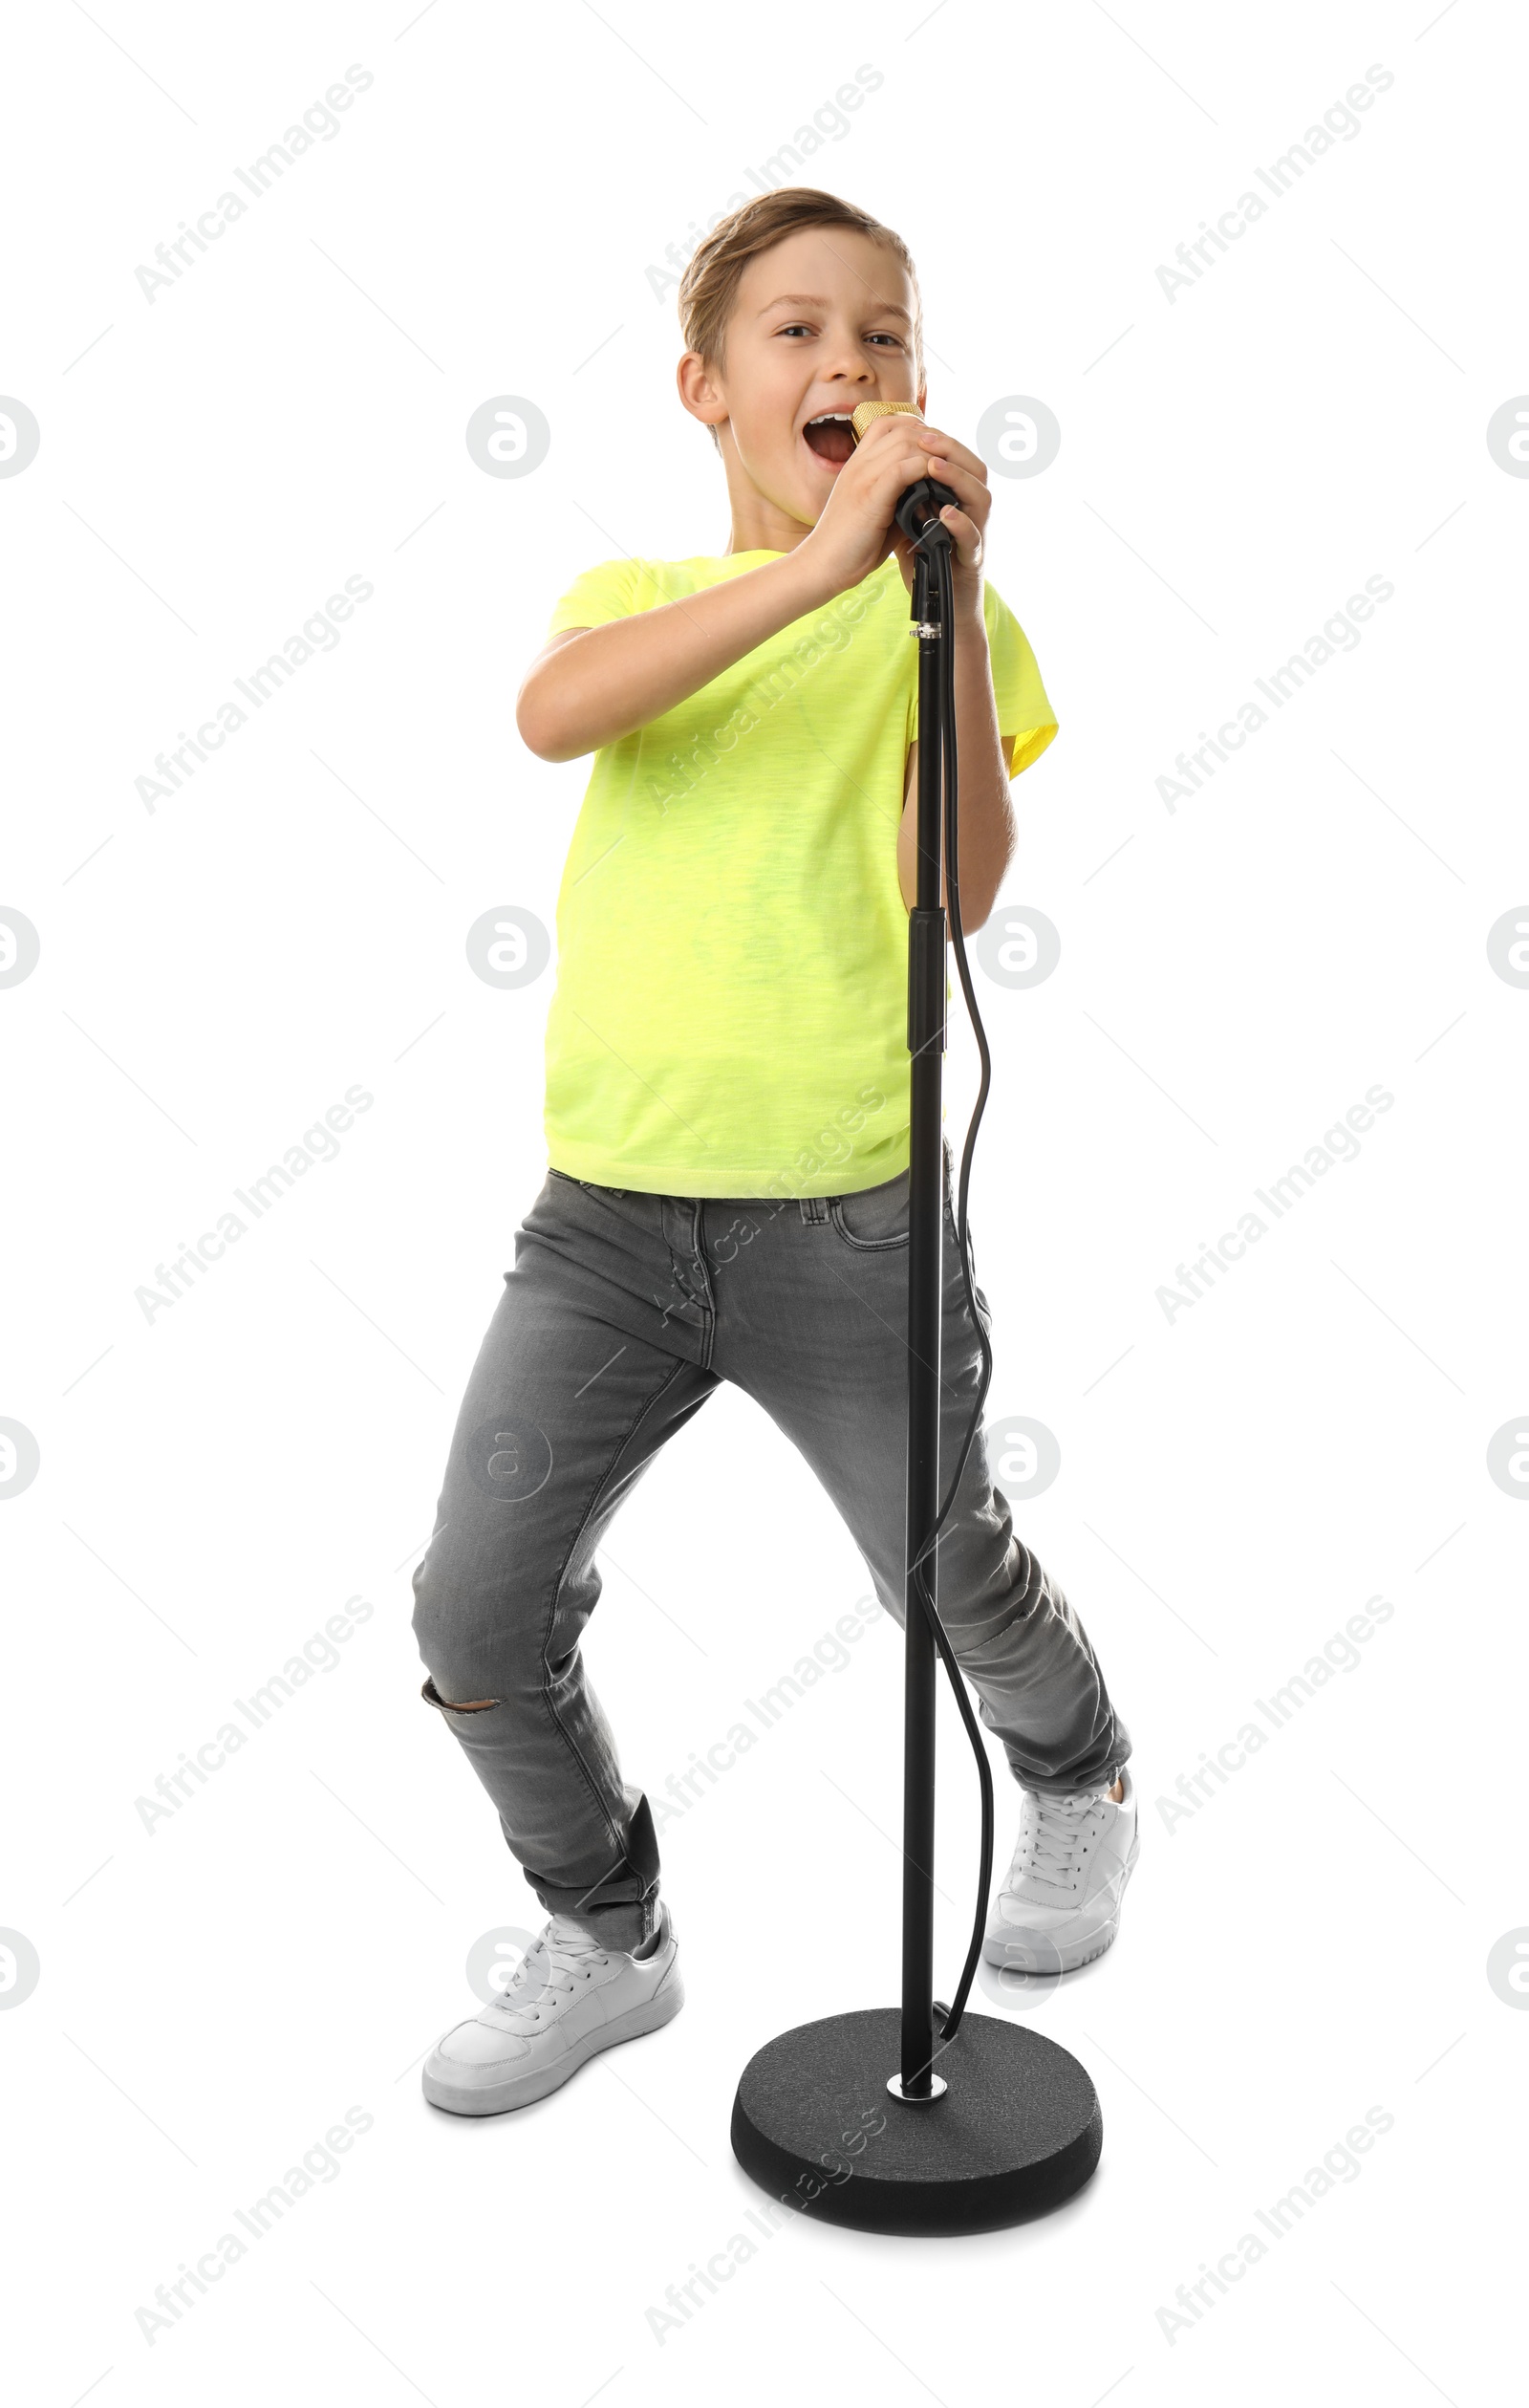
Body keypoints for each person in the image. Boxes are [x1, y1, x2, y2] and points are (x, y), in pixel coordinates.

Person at [412, 186, 1135, 2118]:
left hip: (847, 1220)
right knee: (473, 1607)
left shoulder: (940, 623)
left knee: (944, 1567)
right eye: (798, 333)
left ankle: (1075, 1778)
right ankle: (606, 1931)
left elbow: (947, 889)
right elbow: (552, 716)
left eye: (882, 337)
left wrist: (945, 612)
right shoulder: (639, 601)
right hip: (606, 1224)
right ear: (705, 387)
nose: (846, 363)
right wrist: (813, 567)